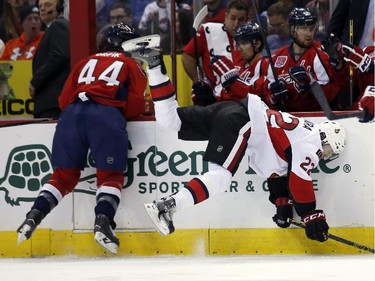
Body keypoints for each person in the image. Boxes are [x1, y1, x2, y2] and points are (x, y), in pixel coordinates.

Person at [130, 45, 346, 243]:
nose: (325, 156)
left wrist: (282, 204)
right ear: (326, 139)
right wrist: (310, 214)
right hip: (243, 121)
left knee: (170, 119)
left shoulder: (300, 133)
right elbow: (300, 179)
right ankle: (167, 206)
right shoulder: (312, 142)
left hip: (231, 110)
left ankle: (156, 66)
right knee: (221, 177)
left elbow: (279, 173)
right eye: (330, 151)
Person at [17, 23, 148, 255]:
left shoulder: (84, 62)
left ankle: (32, 216)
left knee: (63, 176)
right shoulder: (130, 64)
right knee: (109, 176)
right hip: (106, 116)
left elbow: (64, 99)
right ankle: (103, 222)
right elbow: (136, 104)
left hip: (72, 116)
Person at [263, 7, 340, 112]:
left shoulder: (320, 55)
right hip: (287, 118)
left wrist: (312, 84)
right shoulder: (277, 57)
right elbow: (267, 92)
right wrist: (273, 98)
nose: (309, 34)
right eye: (303, 29)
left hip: (316, 118)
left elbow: (332, 94)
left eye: (311, 29)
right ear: (292, 30)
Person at [181, 0, 249, 106]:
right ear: (226, 17)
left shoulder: (251, 38)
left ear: (247, 20)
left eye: (241, 20)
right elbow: (187, 57)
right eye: (232, 18)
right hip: (212, 98)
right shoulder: (210, 31)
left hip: (242, 98)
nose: (236, 24)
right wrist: (198, 81)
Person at [29, 0, 70, 119]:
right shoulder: (53, 28)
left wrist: (35, 82)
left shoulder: (58, 25)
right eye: (40, 6)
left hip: (52, 104)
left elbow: (60, 55)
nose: (42, 8)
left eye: (48, 5)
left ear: (59, 6)